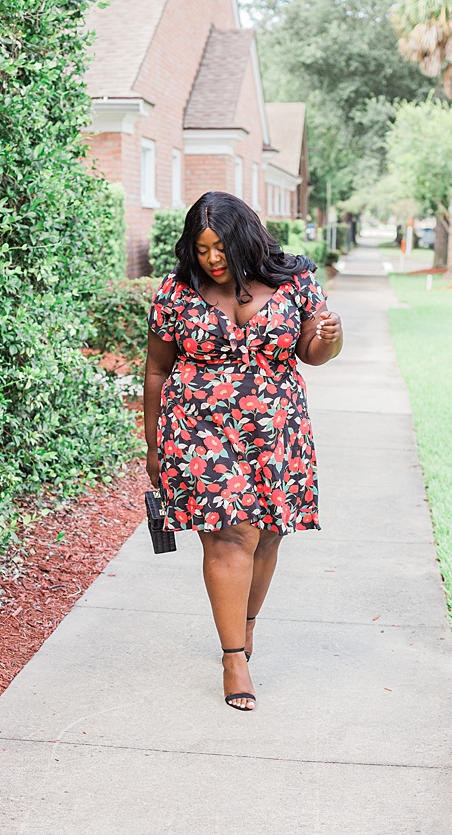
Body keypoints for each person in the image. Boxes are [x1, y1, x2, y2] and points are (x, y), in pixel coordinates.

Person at [143, 191, 343, 711]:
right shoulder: (178, 292)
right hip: (198, 427)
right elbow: (157, 370)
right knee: (231, 536)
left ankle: (246, 625)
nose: (212, 259)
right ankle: (234, 657)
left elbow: (314, 353)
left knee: (269, 535)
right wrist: (152, 445)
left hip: (277, 429)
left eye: (221, 248)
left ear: (246, 239)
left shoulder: (294, 283)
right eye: (202, 248)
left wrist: (331, 337)